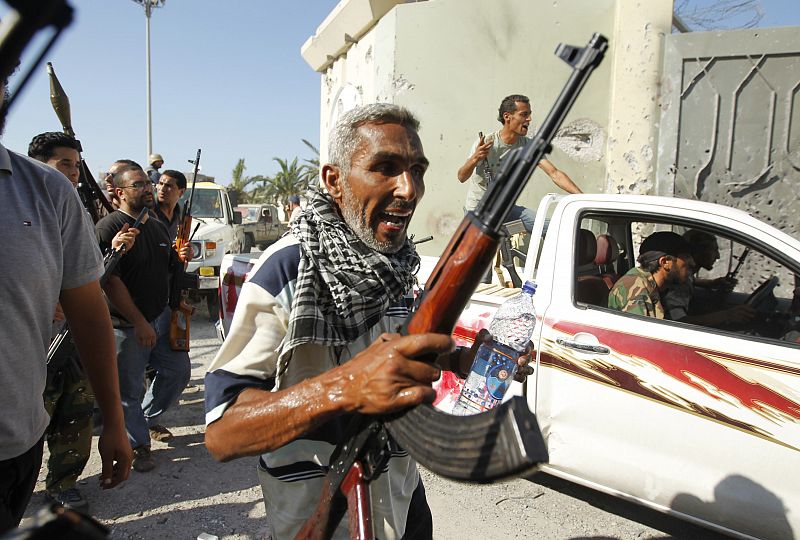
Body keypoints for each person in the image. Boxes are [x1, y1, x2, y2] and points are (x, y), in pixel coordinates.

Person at [204, 104, 526, 539]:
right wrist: (345, 387)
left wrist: (464, 360)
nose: (408, 189)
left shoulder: (395, 263)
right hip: (323, 509)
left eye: (417, 169)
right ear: (334, 180)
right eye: (385, 168)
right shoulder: (289, 268)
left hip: (401, 495)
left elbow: (398, 348)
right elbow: (223, 430)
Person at [0, 82, 131, 532]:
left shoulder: (46, 193)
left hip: (15, 443)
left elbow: (87, 305)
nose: (73, 173)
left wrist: (114, 419)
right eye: (66, 165)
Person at [27, 132, 139, 510]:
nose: (73, 172)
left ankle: (62, 482)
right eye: (65, 164)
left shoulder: (80, 207)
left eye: (76, 165)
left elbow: (88, 280)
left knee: (74, 412)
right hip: (30, 341)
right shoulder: (22, 202)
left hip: (73, 337)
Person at [96, 163, 191, 473]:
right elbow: (110, 282)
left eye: (147, 185)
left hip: (160, 318)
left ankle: (146, 420)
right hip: (127, 325)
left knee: (177, 371)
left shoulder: (156, 225)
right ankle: (138, 445)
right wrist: (137, 322)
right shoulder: (109, 228)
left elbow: (167, 271)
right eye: (139, 186)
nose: (148, 190)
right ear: (120, 192)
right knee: (129, 390)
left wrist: (181, 260)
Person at [457, 94, 583, 232]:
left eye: (529, 114)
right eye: (524, 114)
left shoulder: (529, 146)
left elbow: (554, 173)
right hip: (478, 212)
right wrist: (475, 158)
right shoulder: (487, 142)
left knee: (552, 228)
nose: (529, 119)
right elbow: (461, 177)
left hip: (505, 210)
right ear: (507, 117)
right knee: (476, 251)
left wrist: (583, 198)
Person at [662, 229, 756, 327]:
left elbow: (691, 280)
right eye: (714, 250)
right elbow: (679, 323)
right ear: (698, 252)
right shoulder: (679, 285)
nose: (718, 256)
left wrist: (712, 283)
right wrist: (727, 315)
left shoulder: (685, 276)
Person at [608, 231, 695, 319]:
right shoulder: (636, 286)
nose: (693, 263)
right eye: (686, 257)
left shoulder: (659, 287)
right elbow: (641, 332)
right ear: (665, 262)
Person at [155, 169, 187, 240]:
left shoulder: (180, 215)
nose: (162, 189)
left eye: (168, 186)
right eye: (160, 183)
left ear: (181, 192)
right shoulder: (148, 212)